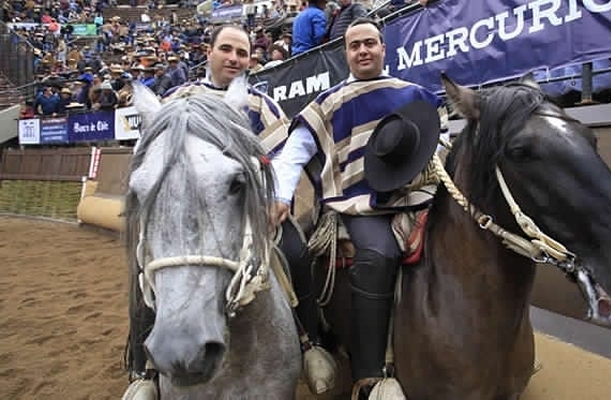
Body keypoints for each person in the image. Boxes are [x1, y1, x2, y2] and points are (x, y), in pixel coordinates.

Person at [129, 23, 336, 395]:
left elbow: (278, 160)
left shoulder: (261, 104)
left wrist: (277, 198)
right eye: (227, 49)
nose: (235, 59)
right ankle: (144, 369)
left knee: (295, 250)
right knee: (146, 267)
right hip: (184, 212)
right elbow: (150, 155)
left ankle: (309, 341)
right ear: (208, 52)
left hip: (247, 210)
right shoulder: (177, 99)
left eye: (242, 53)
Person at [271, 17, 447, 399]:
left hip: (421, 195)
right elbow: (293, 154)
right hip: (359, 204)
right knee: (379, 253)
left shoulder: (415, 93)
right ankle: (370, 375)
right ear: (346, 53)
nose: (363, 50)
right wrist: (281, 197)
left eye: (370, 43)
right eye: (355, 46)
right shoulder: (328, 102)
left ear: (384, 48)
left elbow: (441, 140)